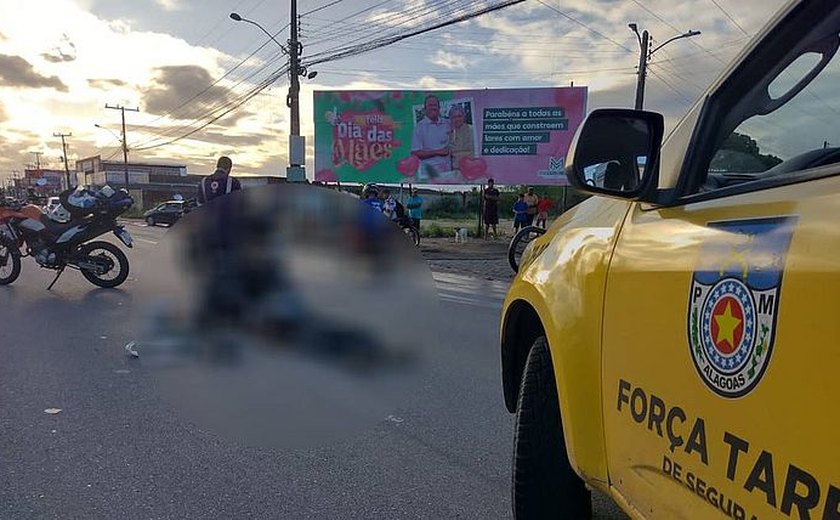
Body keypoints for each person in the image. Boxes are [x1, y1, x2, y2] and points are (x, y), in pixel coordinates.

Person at [410, 95, 450, 180]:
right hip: (429, 175)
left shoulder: (447, 123)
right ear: (425, 109)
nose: (433, 108)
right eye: (430, 105)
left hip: (448, 172)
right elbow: (415, 153)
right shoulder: (420, 127)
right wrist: (438, 152)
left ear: (439, 108)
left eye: (435, 105)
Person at [448, 105, 474, 173]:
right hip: (455, 171)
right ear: (450, 118)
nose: (457, 119)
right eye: (454, 117)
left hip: (472, 168)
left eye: (459, 116)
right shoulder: (449, 133)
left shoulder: (472, 130)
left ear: (464, 117)